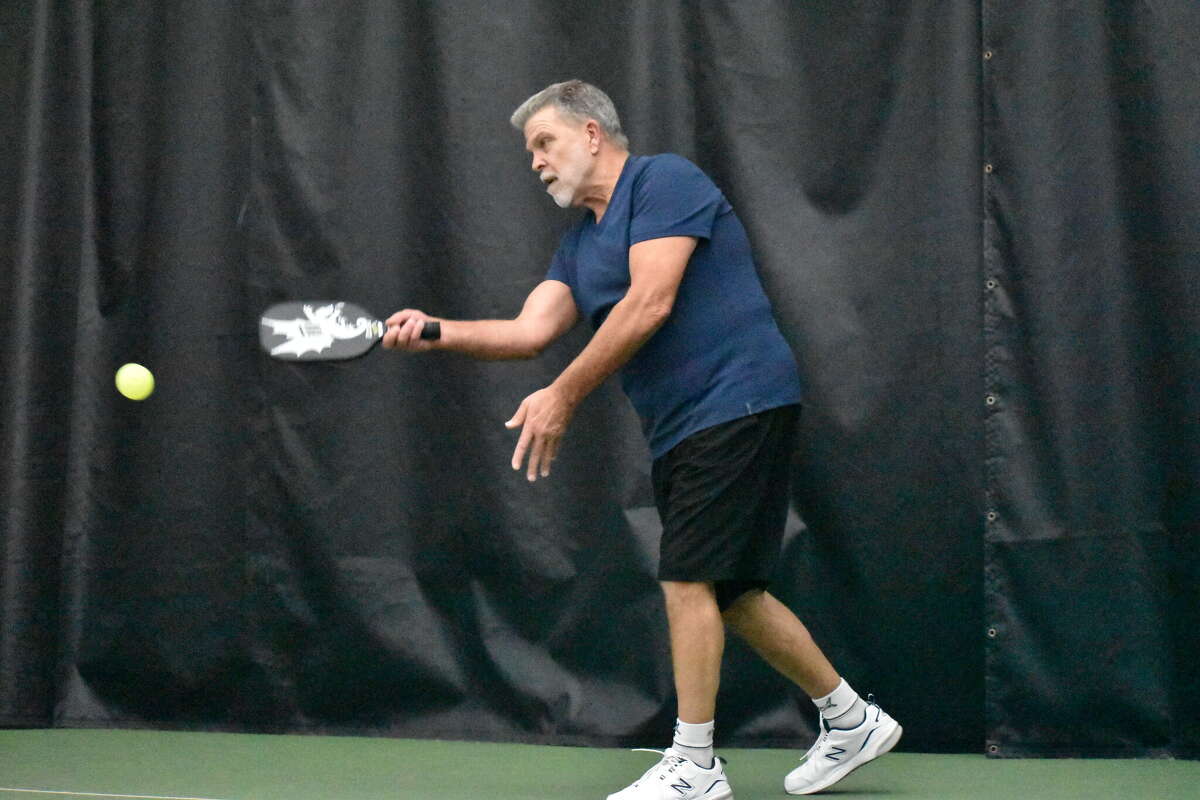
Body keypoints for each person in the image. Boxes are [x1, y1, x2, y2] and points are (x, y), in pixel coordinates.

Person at [381, 79, 901, 799]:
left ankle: (696, 765)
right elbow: (529, 332)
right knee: (732, 591)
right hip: (682, 424)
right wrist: (434, 331)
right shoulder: (579, 244)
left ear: (592, 134)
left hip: (739, 398)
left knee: (687, 576)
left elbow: (651, 300)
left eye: (545, 143)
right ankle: (850, 720)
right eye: (530, 152)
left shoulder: (664, 182)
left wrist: (563, 395)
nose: (536, 162)